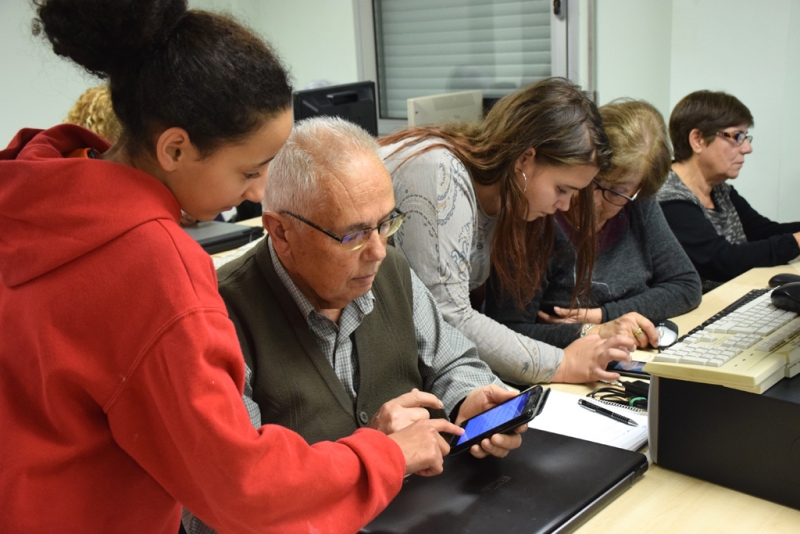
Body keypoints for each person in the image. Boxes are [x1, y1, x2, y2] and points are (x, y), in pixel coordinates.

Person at [0, 1, 463, 533]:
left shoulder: (35, 194)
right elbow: (242, 488)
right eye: (251, 169)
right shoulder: (153, 269)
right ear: (175, 148)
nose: (262, 190)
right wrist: (385, 456)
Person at [184, 116, 527, 533]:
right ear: (281, 233)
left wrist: (468, 402)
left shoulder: (390, 271)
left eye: (386, 222)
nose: (379, 251)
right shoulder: (217, 313)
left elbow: (453, 361)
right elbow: (223, 505)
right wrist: (376, 451)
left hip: (422, 512)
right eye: (354, 235)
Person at [378, 78, 645, 386]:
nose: (564, 205)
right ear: (524, 159)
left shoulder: (508, 202)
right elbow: (447, 318)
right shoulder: (438, 173)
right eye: (562, 188)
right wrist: (563, 363)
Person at [484, 99, 702, 348]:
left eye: (616, 192)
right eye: (593, 182)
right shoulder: (539, 213)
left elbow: (685, 285)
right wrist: (592, 331)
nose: (594, 201)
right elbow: (506, 331)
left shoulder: (638, 204)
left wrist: (605, 316)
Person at [658, 90, 800, 292]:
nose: (747, 148)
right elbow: (722, 261)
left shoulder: (719, 189)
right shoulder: (669, 198)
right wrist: (795, 242)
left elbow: (762, 232)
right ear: (697, 140)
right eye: (737, 136)